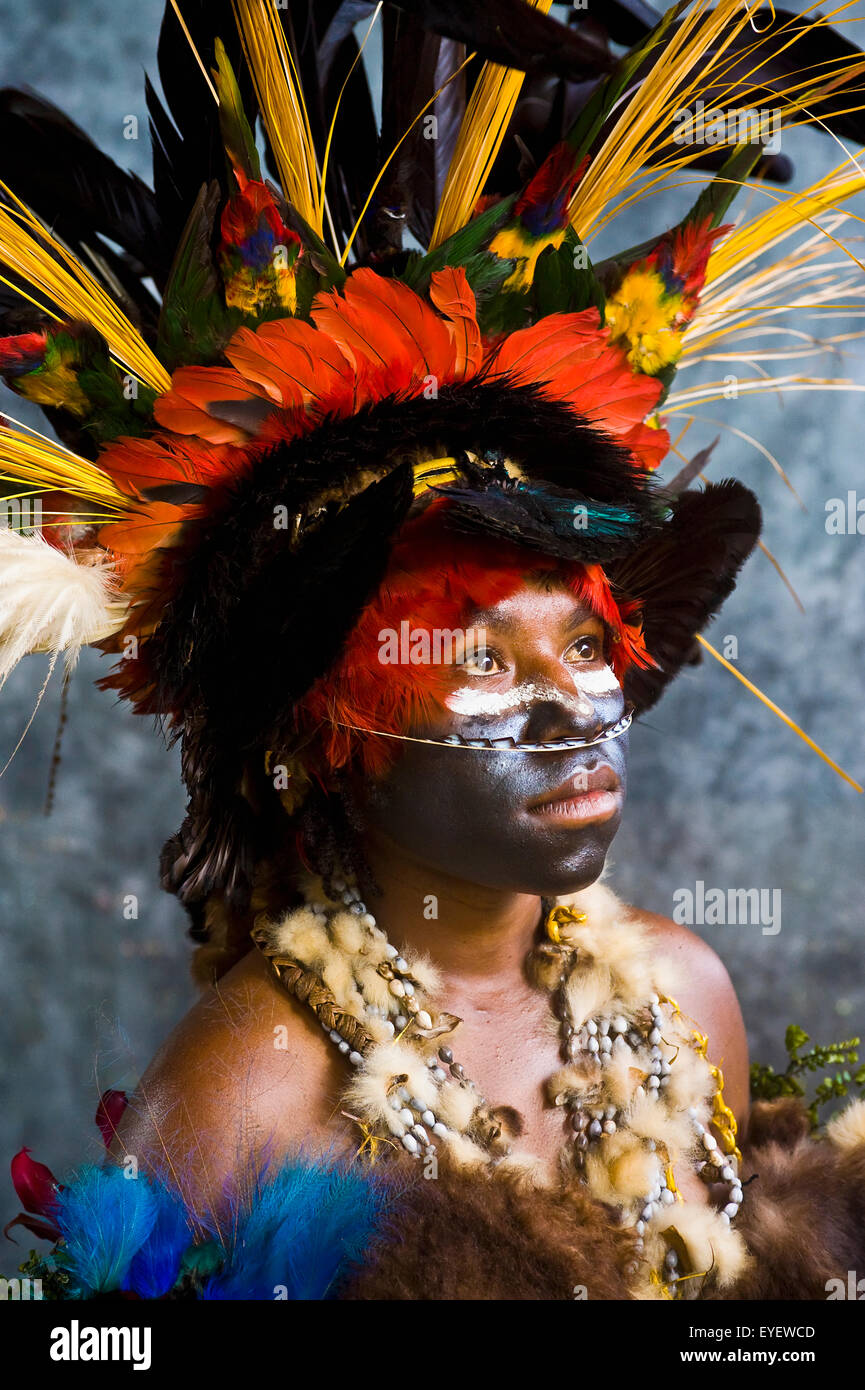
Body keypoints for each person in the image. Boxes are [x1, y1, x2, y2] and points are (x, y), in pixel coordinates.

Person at [2, 0, 865, 1300]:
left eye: (583, 636)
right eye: (471, 657)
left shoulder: (687, 997)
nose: (573, 701)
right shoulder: (246, 1087)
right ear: (317, 739)